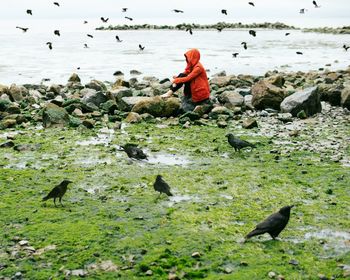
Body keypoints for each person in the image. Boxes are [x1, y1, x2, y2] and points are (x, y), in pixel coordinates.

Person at [161, 48, 211, 112]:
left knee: (184, 109)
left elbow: (188, 78)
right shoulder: (192, 65)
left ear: (193, 57)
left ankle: (169, 93)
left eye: (188, 57)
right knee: (182, 75)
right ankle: (169, 93)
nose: (187, 59)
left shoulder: (198, 67)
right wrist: (177, 78)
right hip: (193, 87)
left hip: (200, 91)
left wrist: (175, 81)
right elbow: (185, 73)